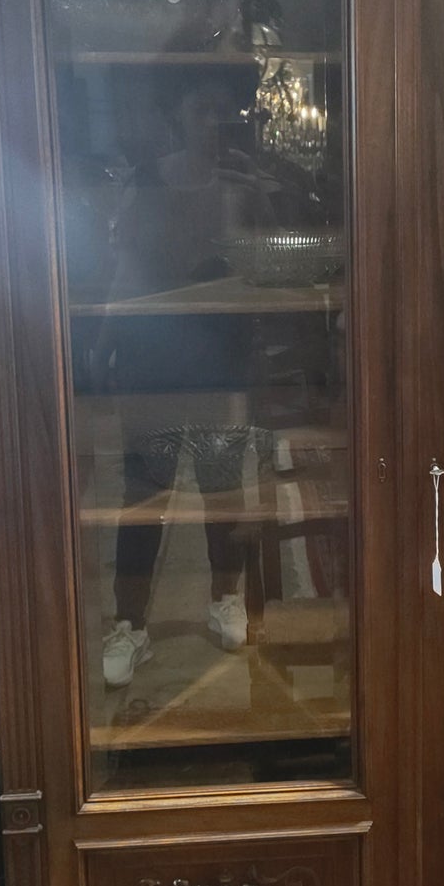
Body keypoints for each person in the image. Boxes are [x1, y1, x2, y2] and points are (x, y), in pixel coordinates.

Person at [99, 50, 270, 689]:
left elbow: (268, 268)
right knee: (145, 492)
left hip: (222, 354)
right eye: (204, 110)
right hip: (151, 355)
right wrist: (105, 337)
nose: (216, 123)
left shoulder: (242, 183)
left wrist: (258, 199)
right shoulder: (145, 182)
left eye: (227, 112)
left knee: (221, 483)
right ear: (179, 115)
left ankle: (225, 596)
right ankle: (130, 624)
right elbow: (125, 268)